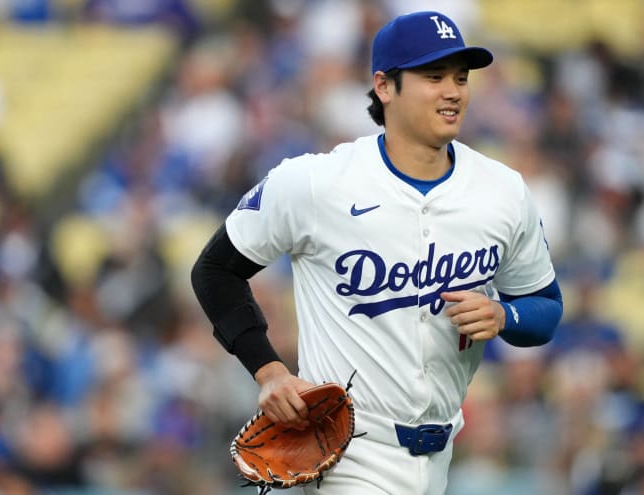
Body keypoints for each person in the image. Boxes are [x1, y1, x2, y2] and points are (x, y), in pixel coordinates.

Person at [191, 10, 563, 494]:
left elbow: (546, 307)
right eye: (433, 76)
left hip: (443, 452)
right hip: (348, 452)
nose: (453, 90)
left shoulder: (502, 190)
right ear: (385, 86)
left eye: (461, 77)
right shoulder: (317, 182)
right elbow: (216, 268)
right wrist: (270, 370)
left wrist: (503, 316)